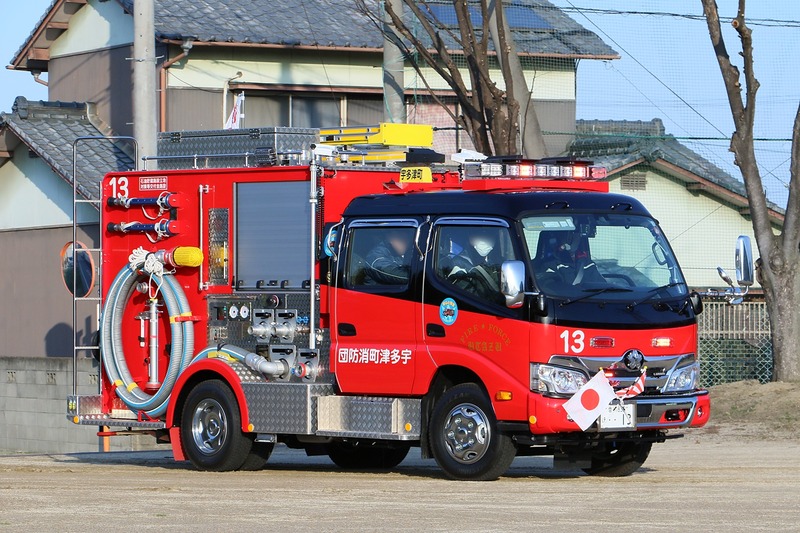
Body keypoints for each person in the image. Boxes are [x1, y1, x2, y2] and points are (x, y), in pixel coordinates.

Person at [442, 227, 504, 303]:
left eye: (488, 235)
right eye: (479, 235)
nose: (484, 240)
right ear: (470, 238)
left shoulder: (496, 260)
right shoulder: (458, 265)